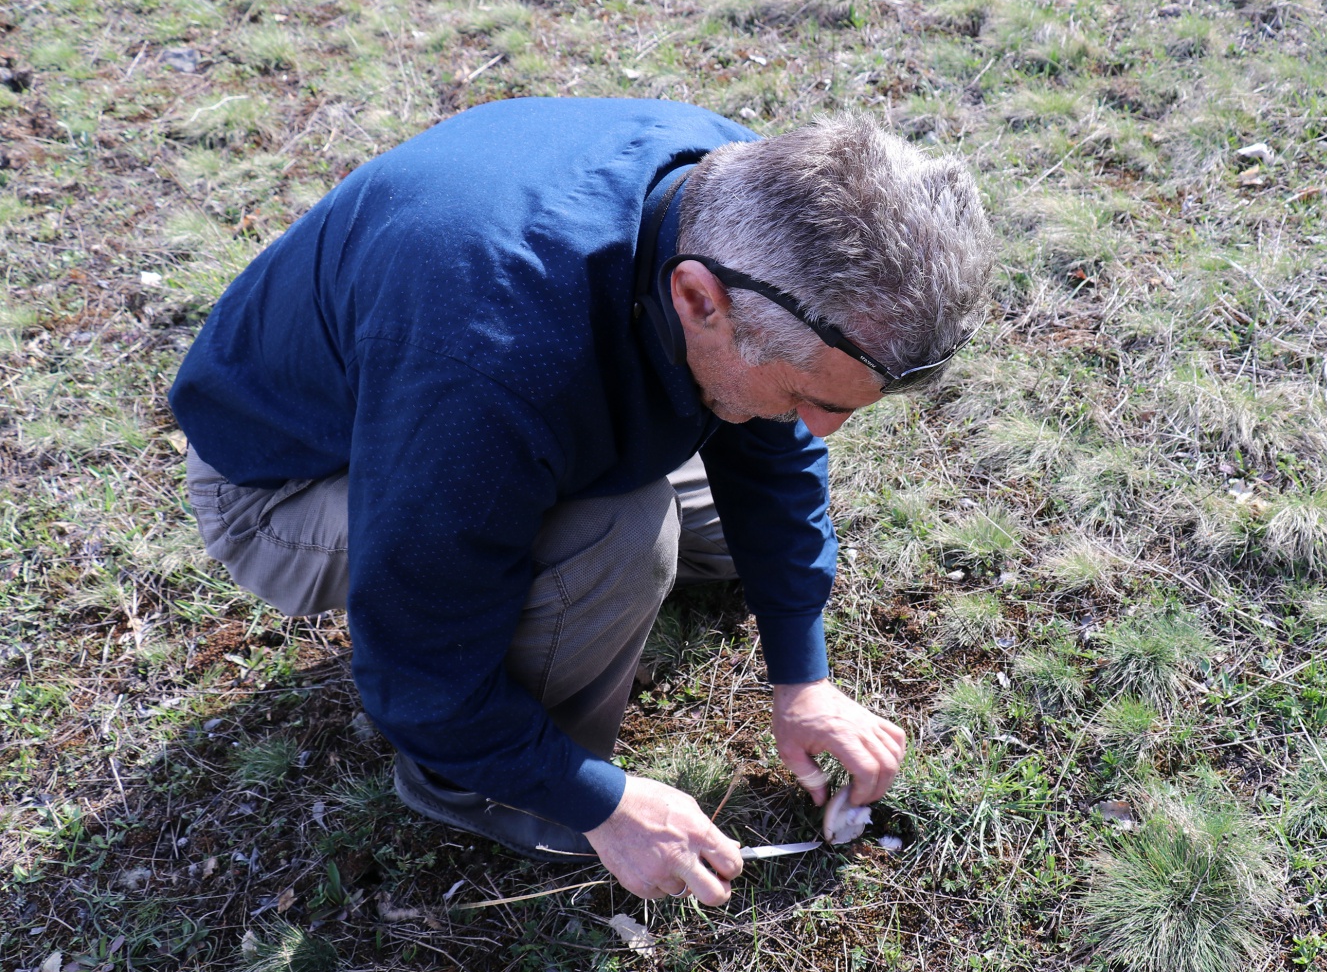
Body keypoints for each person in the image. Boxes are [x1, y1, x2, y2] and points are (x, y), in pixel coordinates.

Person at [169, 97, 993, 906]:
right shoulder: (490, 361)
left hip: (476, 401)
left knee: (739, 491)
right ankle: (479, 788)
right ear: (698, 299)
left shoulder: (754, 203)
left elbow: (776, 454)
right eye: (814, 394)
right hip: (293, 484)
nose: (825, 430)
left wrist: (802, 676)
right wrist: (602, 800)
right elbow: (418, 675)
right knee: (622, 529)